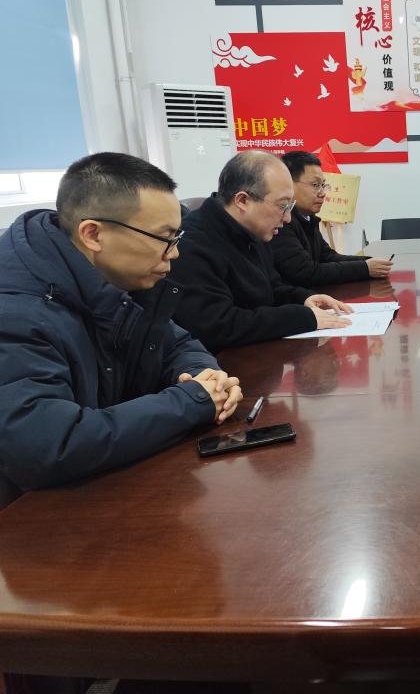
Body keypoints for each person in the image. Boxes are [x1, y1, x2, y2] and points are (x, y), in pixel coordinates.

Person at [0, 152, 243, 501]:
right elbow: (48, 445)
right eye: (164, 238)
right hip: (29, 515)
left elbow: (176, 342)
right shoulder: (16, 313)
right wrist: (191, 402)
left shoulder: (116, 277)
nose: (174, 253)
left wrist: (202, 377)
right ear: (93, 234)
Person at [170, 151, 352, 353]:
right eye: (283, 206)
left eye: (290, 206)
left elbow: (272, 288)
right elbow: (216, 325)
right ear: (242, 200)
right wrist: (302, 317)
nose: (287, 218)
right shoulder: (192, 243)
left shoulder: (253, 230)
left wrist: (303, 298)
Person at [272, 151, 393, 287]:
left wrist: (369, 262)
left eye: (323, 185)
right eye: (315, 185)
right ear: (288, 184)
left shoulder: (308, 218)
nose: (323, 193)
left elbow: (328, 257)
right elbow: (306, 272)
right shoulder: (280, 223)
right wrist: (365, 268)